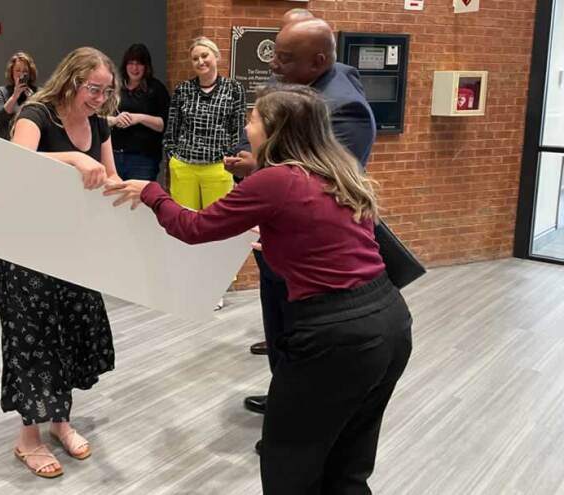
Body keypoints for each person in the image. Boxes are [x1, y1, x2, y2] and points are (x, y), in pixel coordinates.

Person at [106, 85, 412, 494]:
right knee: (348, 464)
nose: (245, 126)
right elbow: (331, 240)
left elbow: (193, 228)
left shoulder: (275, 181)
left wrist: (150, 191)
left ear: (274, 130)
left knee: (289, 463)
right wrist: (282, 244)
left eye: (251, 119)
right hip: (391, 322)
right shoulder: (337, 169)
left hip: (335, 337)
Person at [227, 17, 378, 430]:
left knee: (303, 340)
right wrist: (250, 157)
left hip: (310, 255)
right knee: (280, 333)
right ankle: (285, 398)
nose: (274, 64)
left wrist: (255, 166)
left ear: (318, 60)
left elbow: (321, 177)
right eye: (276, 52)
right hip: (278, 246)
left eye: (285, 57)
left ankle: (297, 423)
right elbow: (256, 137)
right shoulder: (295, 85)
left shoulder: (345, 108)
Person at [0, 46, 121, 479]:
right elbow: (15, 167)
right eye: (94, 89)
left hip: (74, 250)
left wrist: (140, 197)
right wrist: (72, 157)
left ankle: (60, 422)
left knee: (69, 337)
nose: (100, 99)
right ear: (71, 80)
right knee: (34, 342)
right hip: (29, 252)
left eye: (106, 92)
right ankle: (27, 439)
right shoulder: (36, 114)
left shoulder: (100, 124)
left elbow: (110, 181)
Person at [165, 36, 245, 310]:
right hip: (184, 166)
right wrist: (171, 154)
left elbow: (237, 127)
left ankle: (215, 287)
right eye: (195, 58)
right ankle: (188, 284)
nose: (200, 61)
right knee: (182, 226)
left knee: (218, 228)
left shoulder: (234, 89)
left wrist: (233, 156)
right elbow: (172, 126)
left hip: (217, 168)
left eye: (204, 56)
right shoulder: (183, 90)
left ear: (216, 57)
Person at [108, 43, 170, 180]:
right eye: (131, 63)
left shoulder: (156, 89)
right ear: (125, 65)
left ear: (146, 66)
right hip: (114, 155)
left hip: (143, 159)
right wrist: (115, 120)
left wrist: (139, 118)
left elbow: (163, 125)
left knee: (139, 199)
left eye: (139, 64)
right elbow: (99, 117)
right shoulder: (115, 87)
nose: (134, 68)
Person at [0, 52, 38, 140]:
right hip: (5, 140)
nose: (21, 74)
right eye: (18, 70)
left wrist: (32, 101)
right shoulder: (2, 91)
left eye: (25, 71)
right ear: (12, 72)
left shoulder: (38, 93)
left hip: (27, 140)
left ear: (30, 73)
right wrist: (14, 96)